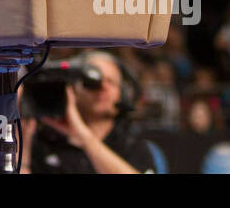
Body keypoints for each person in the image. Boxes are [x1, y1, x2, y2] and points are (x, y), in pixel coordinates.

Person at [22, 52, 157, 174]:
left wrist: (84, 138)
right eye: (92, 81)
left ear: (123, 94)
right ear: (74, 90)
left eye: (111, 81)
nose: (103, 87)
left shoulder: (133, 146)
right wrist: (24, 140)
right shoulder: (45, 143)